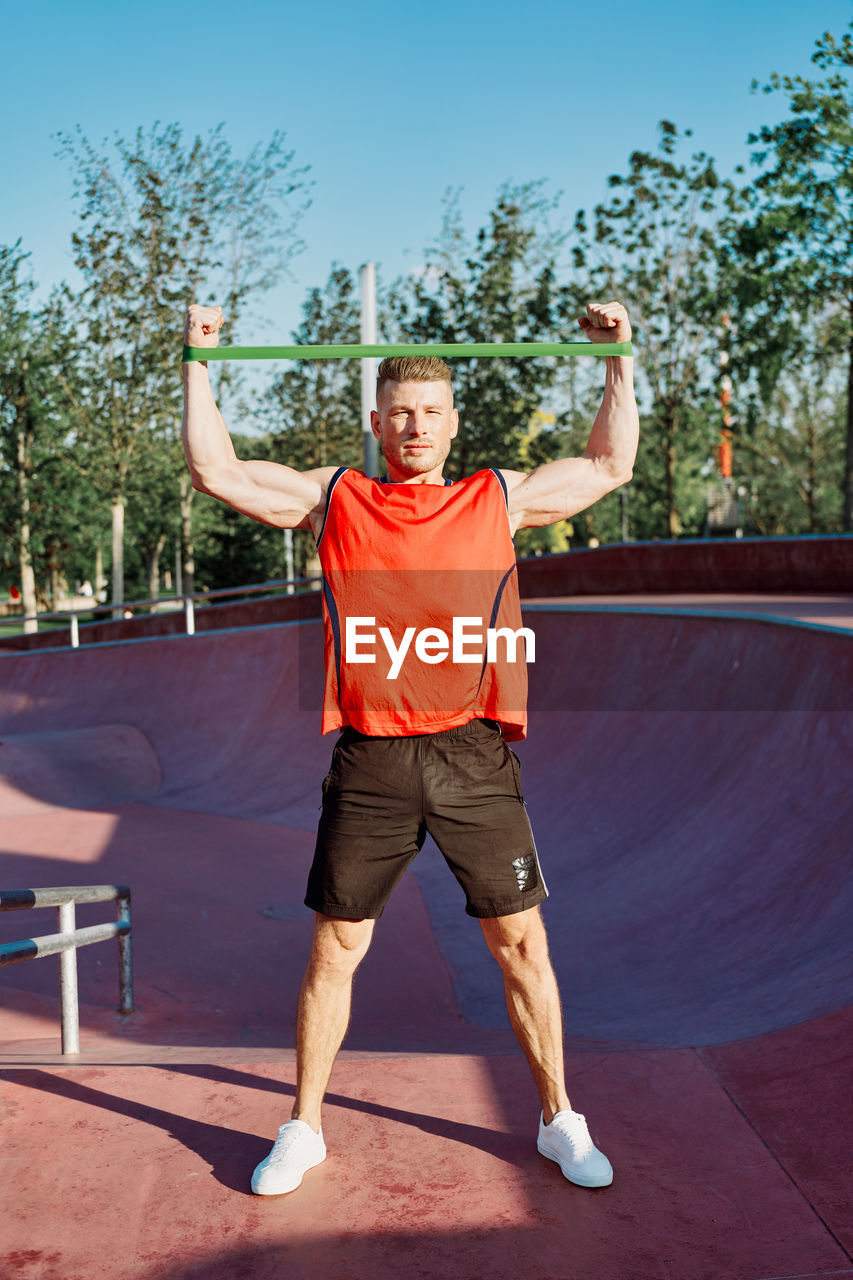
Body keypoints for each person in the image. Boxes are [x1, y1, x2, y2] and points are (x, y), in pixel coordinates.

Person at [181, 300, 639, 1196]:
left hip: (472, 758)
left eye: (431, 411)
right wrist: (197, 358)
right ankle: (304, 1127)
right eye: (399, 411)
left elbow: (608, 463)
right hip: (372, 761)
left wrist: (617, 355)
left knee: (522, 947)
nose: (415, 425)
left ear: (453, 421)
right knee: (334, 949)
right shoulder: (336, 497)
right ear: (376, 421)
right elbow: (215, 470)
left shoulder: (494, 496)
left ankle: (558, 1121)